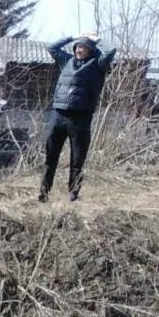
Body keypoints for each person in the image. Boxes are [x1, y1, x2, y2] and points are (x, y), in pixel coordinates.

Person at [42, 34, 116, 203]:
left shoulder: (98, 65)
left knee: (77, 160)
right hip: (59, 115)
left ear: (90, 50)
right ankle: (43, 193)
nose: (79, 50)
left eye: (82, 47)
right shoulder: (66, 61)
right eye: (77, 47)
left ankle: (73, 195)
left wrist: (95, 39)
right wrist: (72, 37)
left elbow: (111, 50)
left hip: (80, 118)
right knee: (50, 157)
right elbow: (52, 47)